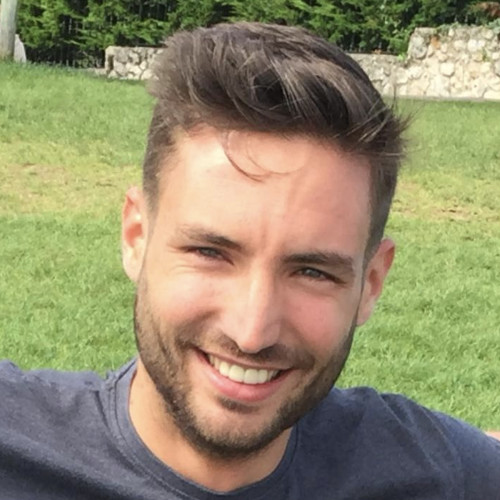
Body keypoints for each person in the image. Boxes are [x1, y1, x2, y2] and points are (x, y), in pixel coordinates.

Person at [1, 22, 499, 500]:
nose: (252, 333)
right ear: (136, 236)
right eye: (210, 252)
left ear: (370, 282)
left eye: (311, 272)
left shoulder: (437, 476)